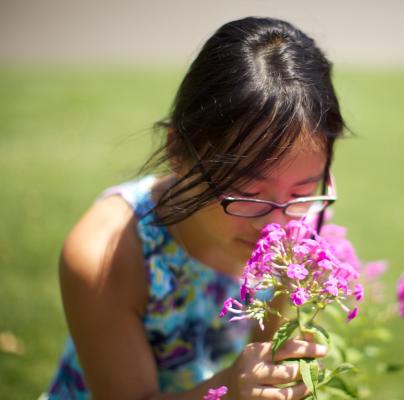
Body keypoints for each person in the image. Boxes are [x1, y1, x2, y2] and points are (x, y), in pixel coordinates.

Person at [46, 16, 345, 400]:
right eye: (248, 192)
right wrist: (233, 390)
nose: (277, 226)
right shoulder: (104, 257)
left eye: (302, 191)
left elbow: (267, 347)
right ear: (177, 150)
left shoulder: (294, 227)